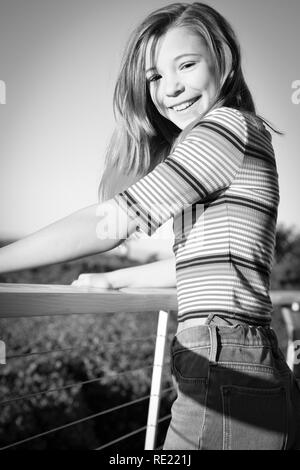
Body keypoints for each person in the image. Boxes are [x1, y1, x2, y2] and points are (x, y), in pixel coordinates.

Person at [0, 2, 299, 449]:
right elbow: (202, 265)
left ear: (224, 59)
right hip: (253, 367)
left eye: (187, 64)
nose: (170, 88)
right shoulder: (244, 134)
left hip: (226, 366)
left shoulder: (223, 129)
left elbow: (111, 223)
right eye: (156, 76)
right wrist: (115, 280)